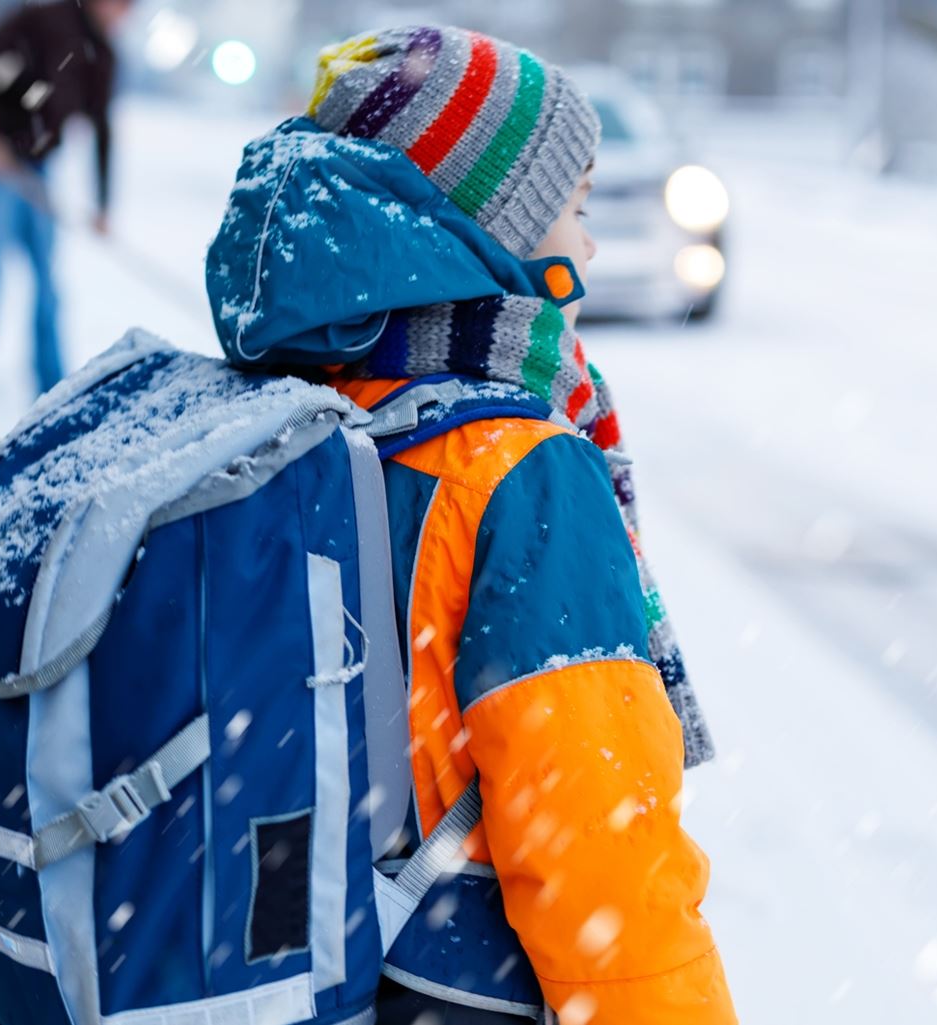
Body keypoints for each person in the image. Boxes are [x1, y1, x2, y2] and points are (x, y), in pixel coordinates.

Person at [205, 25, 734, 1024]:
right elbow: (606, 868)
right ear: (492, 226)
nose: (586, 246)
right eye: (573, 210)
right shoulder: (520, 471)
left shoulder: (300, 401)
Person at [0, 0, 131, 394]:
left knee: (47, 282)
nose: (123, 13)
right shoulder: (42, 23)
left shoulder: (103, 56)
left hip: (35, 168)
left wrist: (103, 204)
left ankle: (52, 384)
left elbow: (102, 128)